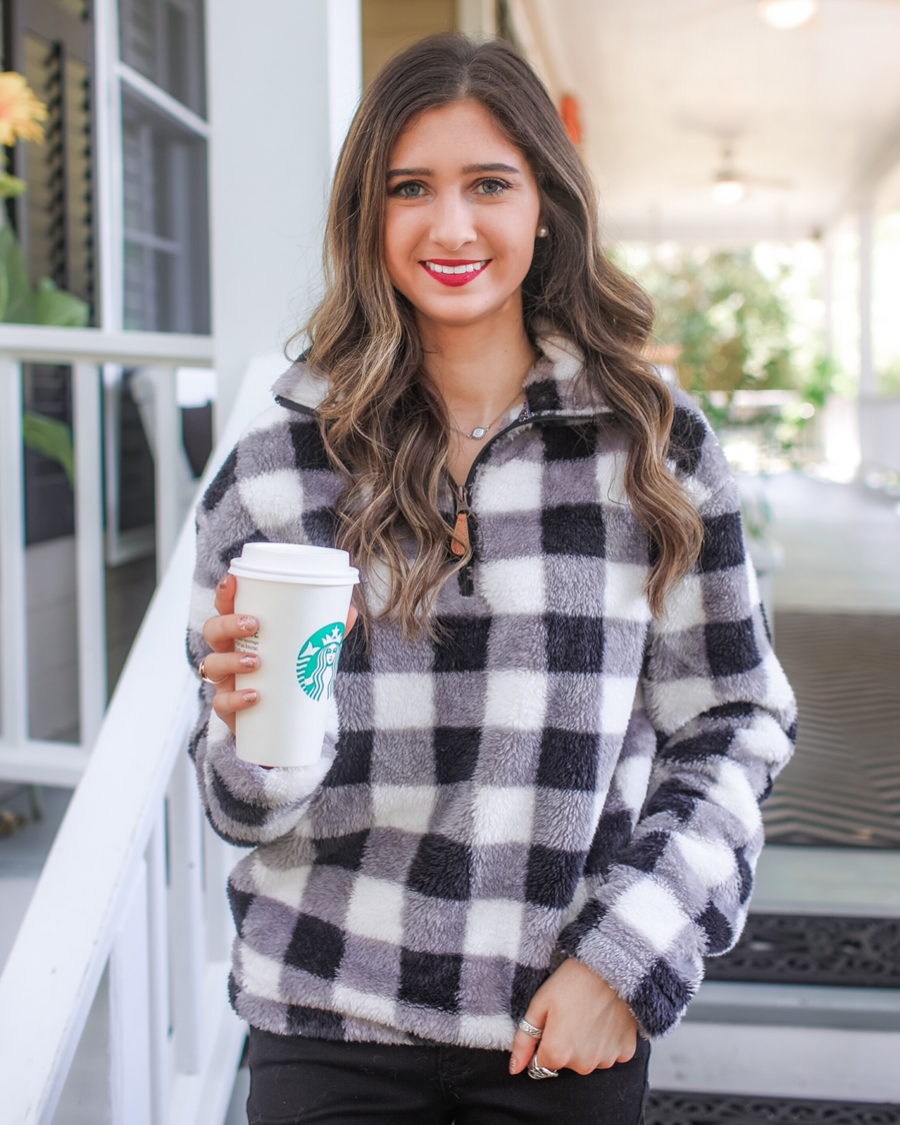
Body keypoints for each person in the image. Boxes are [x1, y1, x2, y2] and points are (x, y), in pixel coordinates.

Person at [188, 33, 796, 1125]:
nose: (451, 226)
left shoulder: (653, 451)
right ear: (367, 217)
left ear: (546, 206)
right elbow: (243, 807)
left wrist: (627, 960)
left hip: (558, 1026)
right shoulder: (279, 468)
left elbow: (735, 721)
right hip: (325, 1016)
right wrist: (251, 728)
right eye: (409, 188)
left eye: (490, 185)